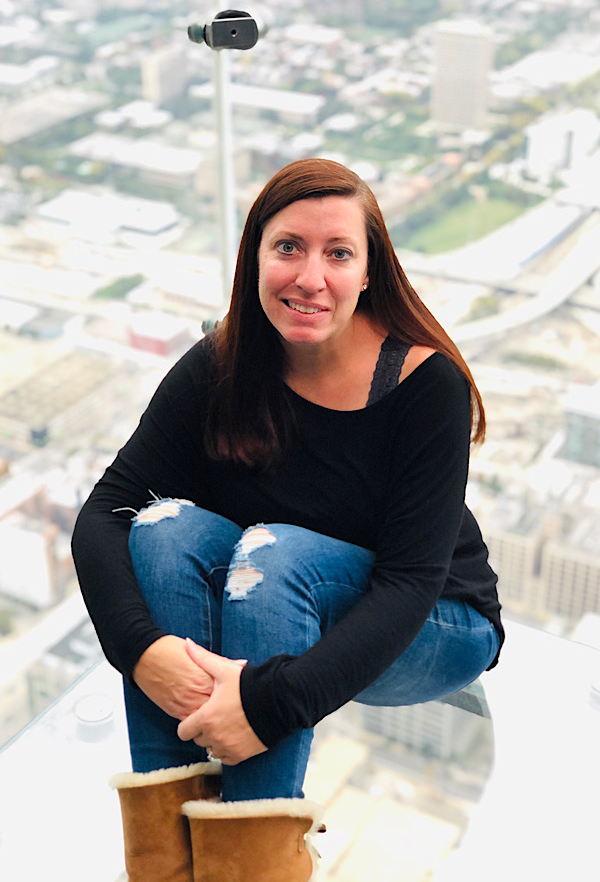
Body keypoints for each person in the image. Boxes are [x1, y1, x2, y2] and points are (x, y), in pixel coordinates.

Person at [71, 157, 503, 881]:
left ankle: (255, 867)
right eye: (288, 247)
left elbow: (410, 584)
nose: (310, 277)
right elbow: (106, 513)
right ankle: (166, 863)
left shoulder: (427, 388)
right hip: (287, 604)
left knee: (275, 558)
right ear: (255, 257)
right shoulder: (221, 363)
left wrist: (269, 706)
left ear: (370, 274)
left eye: (338, 253)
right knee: (162, 528)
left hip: (437, 626)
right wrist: (142, 652)